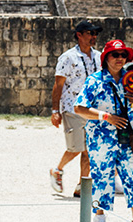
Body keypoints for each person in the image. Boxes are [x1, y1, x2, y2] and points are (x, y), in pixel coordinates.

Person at [74, 40, 133, 222]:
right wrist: (106, 116)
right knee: (101, 176)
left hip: (129, 138)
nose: (120, 58)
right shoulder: (95, 81)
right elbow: (79, 108)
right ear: (106, 58)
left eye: (123, 55)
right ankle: (99, 216)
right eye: (115, 55)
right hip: (102, 138)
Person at [50, 20, 102, 197]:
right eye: (90, 33)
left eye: (95, 34)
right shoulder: (68, 57)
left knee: (89, 150)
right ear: (79, 35)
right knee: (76, 148)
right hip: (72, 108)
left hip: (92, 109)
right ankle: (57, 169)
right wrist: (55, 111)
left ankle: (81, 185)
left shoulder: (99, 57)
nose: (93, 37)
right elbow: (58, 85)